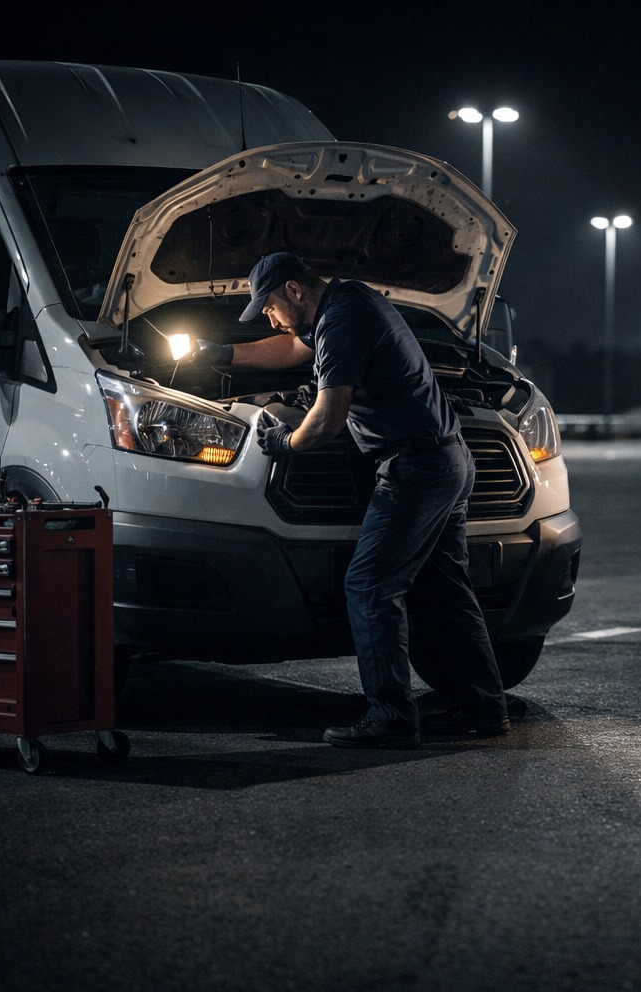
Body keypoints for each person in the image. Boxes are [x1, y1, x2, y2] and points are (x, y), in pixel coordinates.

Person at [193, 251, 509, 748]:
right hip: (447, 460)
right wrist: (223, 355)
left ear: (295, 290)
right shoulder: (349, 302)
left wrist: (284, 443)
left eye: (271, 306)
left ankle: (391, 719)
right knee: (446, 591)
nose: (270, 317)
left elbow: (326, 420)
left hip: (414, 468)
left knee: (368, 586)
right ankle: (484, 708)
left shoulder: (342, 319)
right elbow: (295, 350)